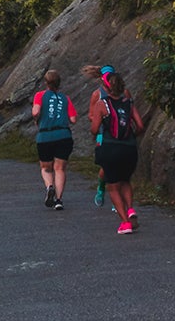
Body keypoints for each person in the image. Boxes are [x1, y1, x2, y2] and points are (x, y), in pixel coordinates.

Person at [87, 65, 145, 234]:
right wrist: (132, 135)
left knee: (113, 186)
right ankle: (130, 209)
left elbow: (94, 128)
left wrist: (98, 129)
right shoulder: (129, 102)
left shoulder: (101, 103)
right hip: (129, 148)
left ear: (107, 86)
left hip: (110, 147)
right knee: (126, 180)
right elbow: (140, 125)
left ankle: (125, 223)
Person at [30, 70, 76, 210]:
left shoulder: (40, 95)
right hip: (64, 136)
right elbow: (73, 119)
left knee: (46, 167)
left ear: (46, 83)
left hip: (45, 136)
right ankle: (59, 200)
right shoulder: (65, 98)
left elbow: (35, 112)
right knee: (60, 168)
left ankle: (50, 186)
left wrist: (37, 118)